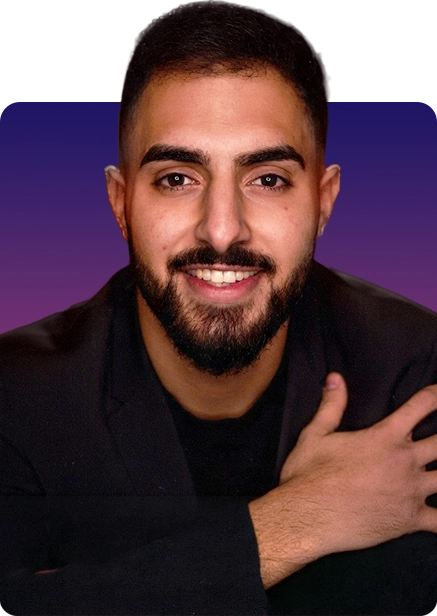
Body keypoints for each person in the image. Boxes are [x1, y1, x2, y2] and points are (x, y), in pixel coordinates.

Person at [1, 2, 437, 614]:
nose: (223, 230)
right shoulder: (16, 395)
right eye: (177, 178)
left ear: (324, 201)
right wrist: (298, 521)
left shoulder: (417, 372)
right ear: (121, 204)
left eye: (268, 179)